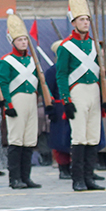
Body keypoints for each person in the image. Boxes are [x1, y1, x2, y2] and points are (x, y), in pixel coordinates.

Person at [56, 0, 106, 192]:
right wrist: (66, 100)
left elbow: (101, 75)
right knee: (79, 136)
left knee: (93, 136)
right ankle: (77, 179)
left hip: (94, 91)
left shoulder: (95, 45)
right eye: (81, 19)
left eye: (87, 19)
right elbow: (62, 75)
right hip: (77, 92)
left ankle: (89, 177)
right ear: (73, 23)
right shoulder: (66, 47)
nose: (85, 23)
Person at [0, 10, 42, 189]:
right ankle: (15, 178)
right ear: (12, 41)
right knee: (16, 140)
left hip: (31, 101)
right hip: (16, 101)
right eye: (20, 40)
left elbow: (39, 82)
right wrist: (8, 104)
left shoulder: (32, 61)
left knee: (29, 140)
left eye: (25, 39)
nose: (23, 42)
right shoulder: (6, 61)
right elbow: (3, 83)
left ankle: (26, 176)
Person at [45, 41, 72, 180]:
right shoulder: (52, 71)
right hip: (59, 108)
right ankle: (63, 167)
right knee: (60, 141)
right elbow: (48, 91)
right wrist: (50, 109)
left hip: (73, 105)